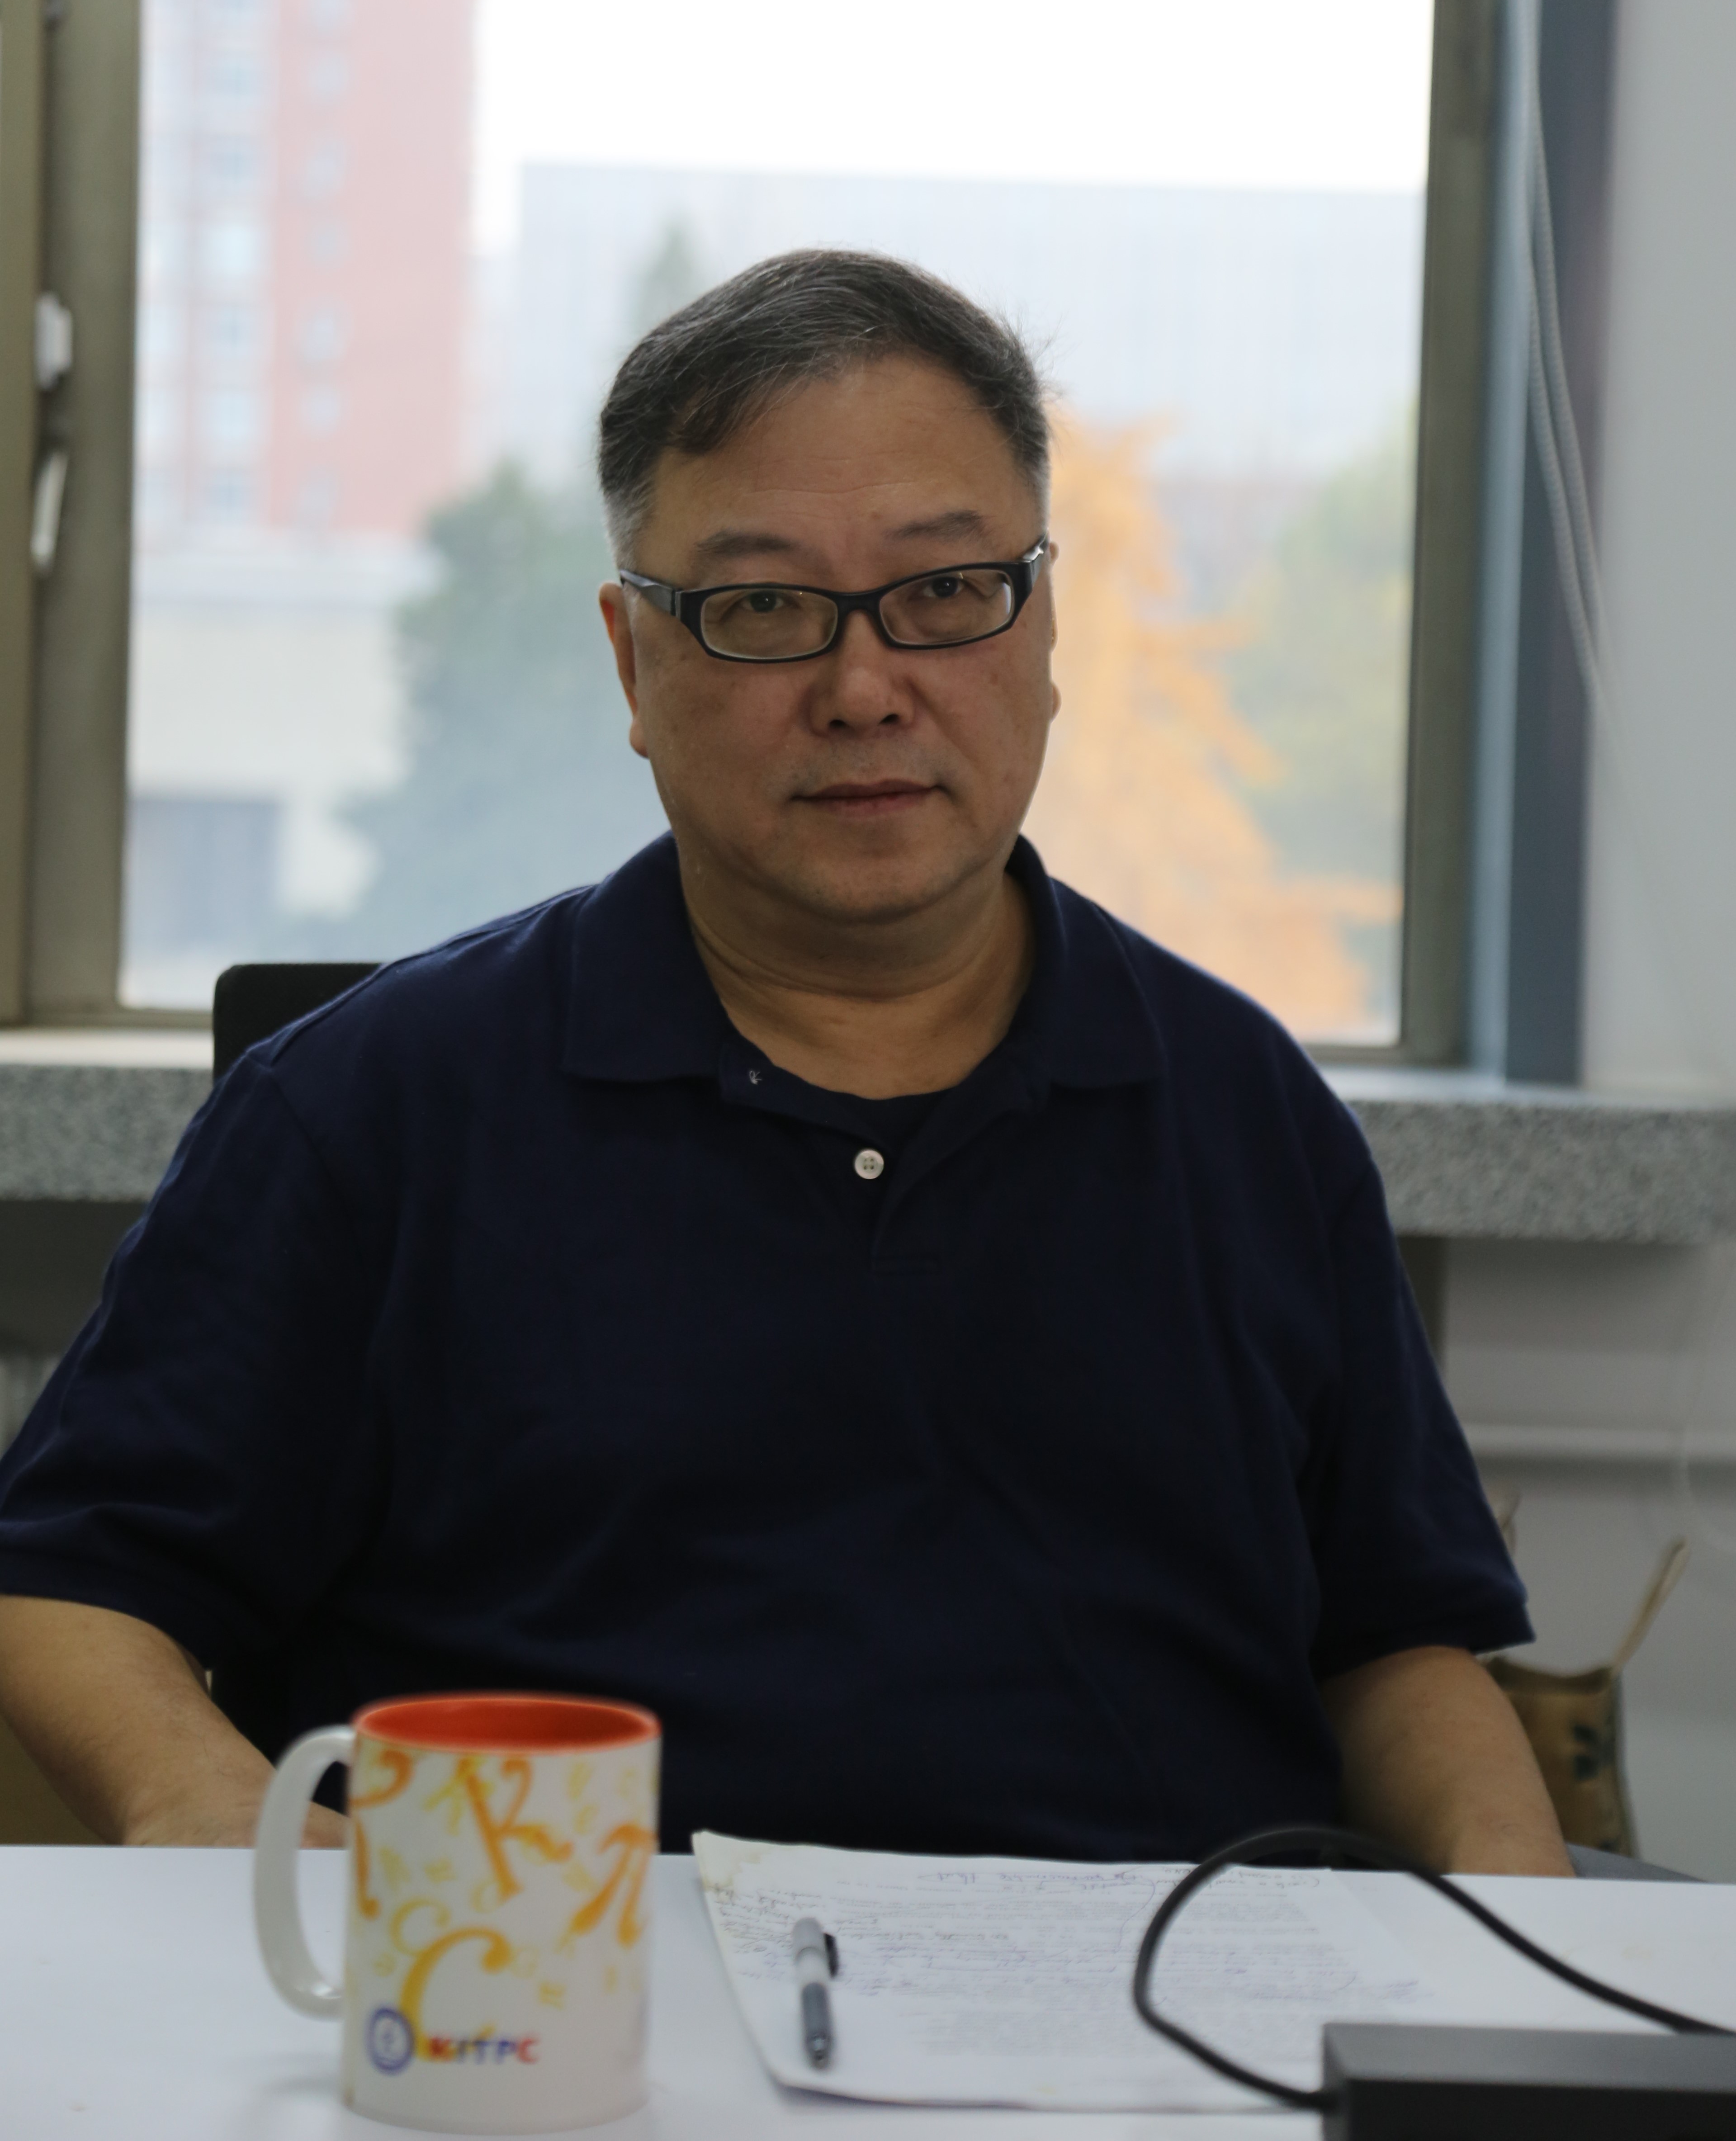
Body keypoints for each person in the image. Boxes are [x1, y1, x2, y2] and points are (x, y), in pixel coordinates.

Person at [0, 250, 1569, 1874]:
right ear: (633, 661)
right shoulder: (368, 1112)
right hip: (560, 1986)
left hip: (1165, 1992)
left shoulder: (1244, 1111)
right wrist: (199, 1805)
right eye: (761, 609)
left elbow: (1399, 1648)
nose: (864, 689)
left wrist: (1527, 1954)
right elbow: (67, 1578)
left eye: (945, 592)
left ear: (1043, 630)